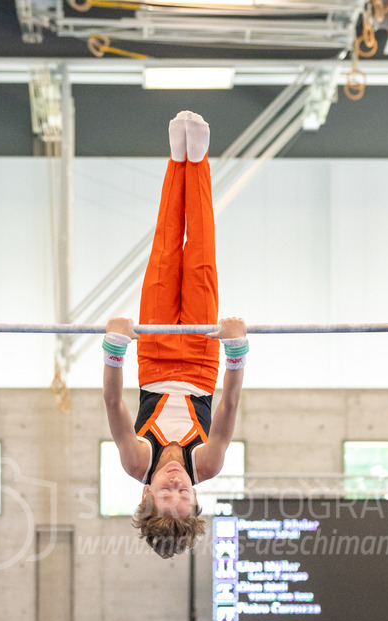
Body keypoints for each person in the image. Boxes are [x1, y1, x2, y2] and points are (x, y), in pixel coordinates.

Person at [103, 110, 248, 559]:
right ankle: (198, 161)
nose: (174, 487)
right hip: (203, 363)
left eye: (165, 497)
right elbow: (228, 404)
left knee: (166, 251)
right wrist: (237, 351)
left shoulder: (137, 463)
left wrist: (114, 349)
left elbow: (113, 402)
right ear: (196, 499)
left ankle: (175, 159)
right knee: (200, 255)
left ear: (145, 497)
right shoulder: (207, 463)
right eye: (183, 498)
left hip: (155, 358)